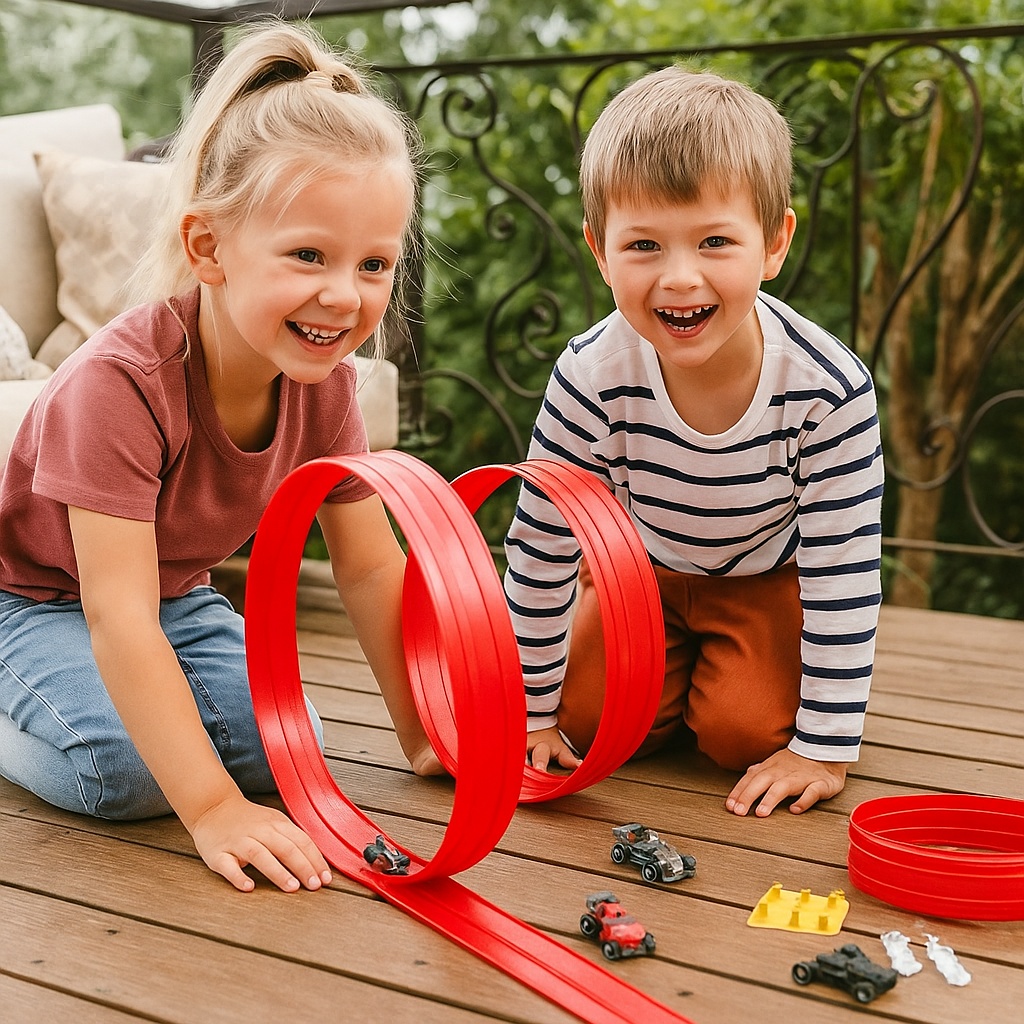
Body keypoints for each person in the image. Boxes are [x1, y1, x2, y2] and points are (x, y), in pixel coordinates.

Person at [0, 20, 442, 895]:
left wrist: (422, 729)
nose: (342, 295)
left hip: (176, 597)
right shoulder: (121, 385)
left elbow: (368, 566)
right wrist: (210, 808)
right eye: (308, 255)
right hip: (35, 601)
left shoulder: (327, 385)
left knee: (293, 742)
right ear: (210, 249)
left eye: (374, 264)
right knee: (121, 774)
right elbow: (115, 614)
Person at [504, 66, 883, 817]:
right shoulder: (590, 374)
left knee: (743, 735)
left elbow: (845, 567)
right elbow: (543, 541)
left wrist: (823, 746)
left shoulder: (828, 389)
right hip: (638, 579)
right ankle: (659, 678)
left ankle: (725, 678)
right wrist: (532, 713)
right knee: (585, 723)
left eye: (715, 241)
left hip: (763, 583)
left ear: (774, 245)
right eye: (644, 244)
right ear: (600, 251)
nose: (681, 278)